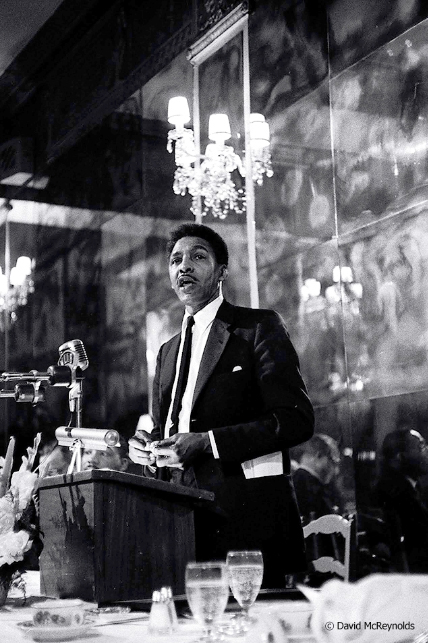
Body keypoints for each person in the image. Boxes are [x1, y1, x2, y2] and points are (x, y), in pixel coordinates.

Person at [129, 223, 314, 587]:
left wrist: (208, 442)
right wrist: (145, 446)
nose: (184, 266)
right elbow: (162, 425)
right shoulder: (166, 352)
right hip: (177, 517)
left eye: (198, 256)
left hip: (245, 518)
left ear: (221, 272)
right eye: (176, 260)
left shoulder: (257, 328)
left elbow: (296, 419)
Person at [375, 427, 428, 573]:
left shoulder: (409, 487)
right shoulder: (395, 493)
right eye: (421, 446)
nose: (426, 451)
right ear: (401, 457)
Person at [292, 433, 342, 521]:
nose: (336, 469)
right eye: (332, 460)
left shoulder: (296, 481)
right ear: (318, 456)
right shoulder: (311, 488)